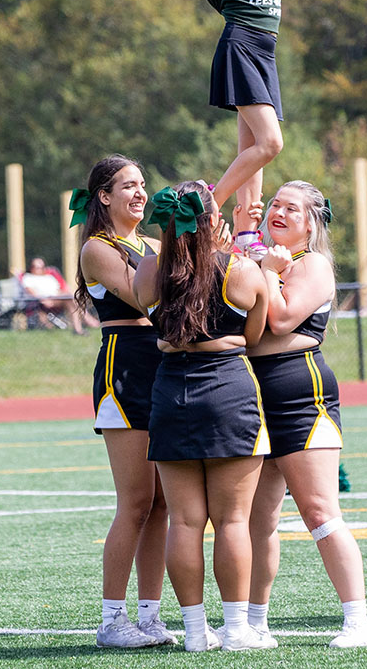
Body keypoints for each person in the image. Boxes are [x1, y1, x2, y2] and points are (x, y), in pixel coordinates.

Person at [132, 180, 273, 652]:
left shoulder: (148, 271)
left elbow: (155, 319)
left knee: (184, 523)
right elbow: (254, 336)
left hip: (170, 392)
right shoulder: (241, 270)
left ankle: (195, 632)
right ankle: (237, 630)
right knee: (232, 521)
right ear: (213, 220)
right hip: (229, 391)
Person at [245, 181, 367, 648]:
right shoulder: (261, 260)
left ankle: (358, 621)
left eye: (292, 209)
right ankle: (254, 622)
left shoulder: (312, 264)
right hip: (253, 395)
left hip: (301, 392)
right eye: (275, 204)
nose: (278, 212)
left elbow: (280, 320)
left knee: (320, 512)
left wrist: (266, 271)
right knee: (256, 521)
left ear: (311, 224)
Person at [182, 0, 305, 258]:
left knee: (251, 150)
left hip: (266, 53)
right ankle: (209, 202)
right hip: (242, 44)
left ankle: (246, 234)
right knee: (270, 143)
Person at [71, 156, 173, 648]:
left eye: (143, 184)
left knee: (162, 504)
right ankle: (112, 620)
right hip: (125, 368)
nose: (140, 193)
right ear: (104, 196)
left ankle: (150, 617)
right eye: (128, 185)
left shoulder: (156, 245)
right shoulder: (97, 247)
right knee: (135, 501)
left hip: (166, 366)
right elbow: (145, 298)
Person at [21, 257, 96, 334]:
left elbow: (59, 289)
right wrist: (42, 300)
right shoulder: (28, 278)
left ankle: (81, 326)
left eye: (42, 267)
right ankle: (86, 323)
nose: (40, 269)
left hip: (57, 298)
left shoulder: (49, 277)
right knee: (70, 300)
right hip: (42, 302)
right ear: (31, 268)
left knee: (71, 299)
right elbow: (31, 293)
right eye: (37, 267)